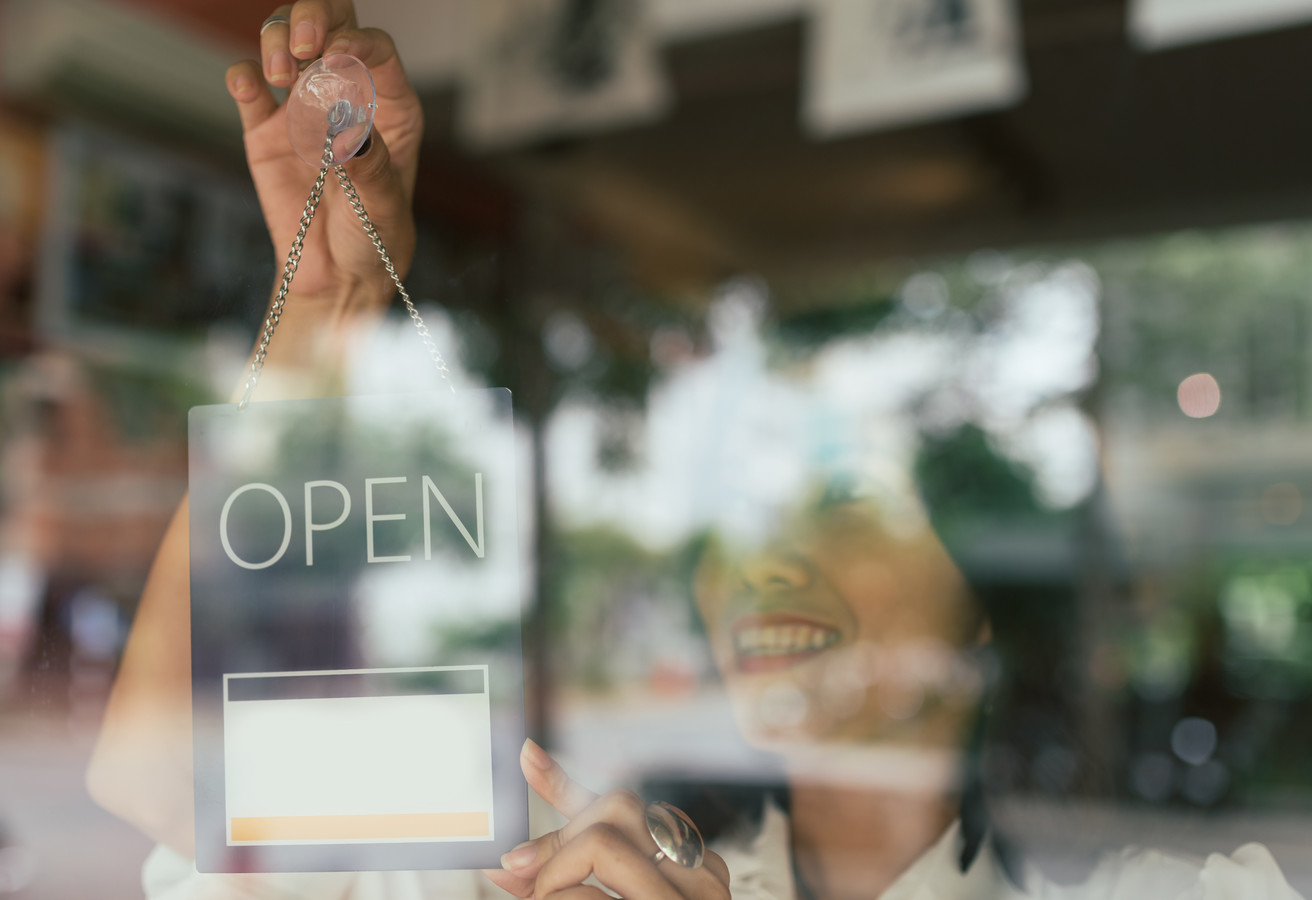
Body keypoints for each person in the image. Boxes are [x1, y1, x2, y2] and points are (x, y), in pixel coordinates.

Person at [89, 3, 1306, 898]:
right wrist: (326, 309)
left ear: (976, 605)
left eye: (848, 505)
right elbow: (185, 804)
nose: (770, 565)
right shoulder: (546, 871)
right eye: (737, 529)